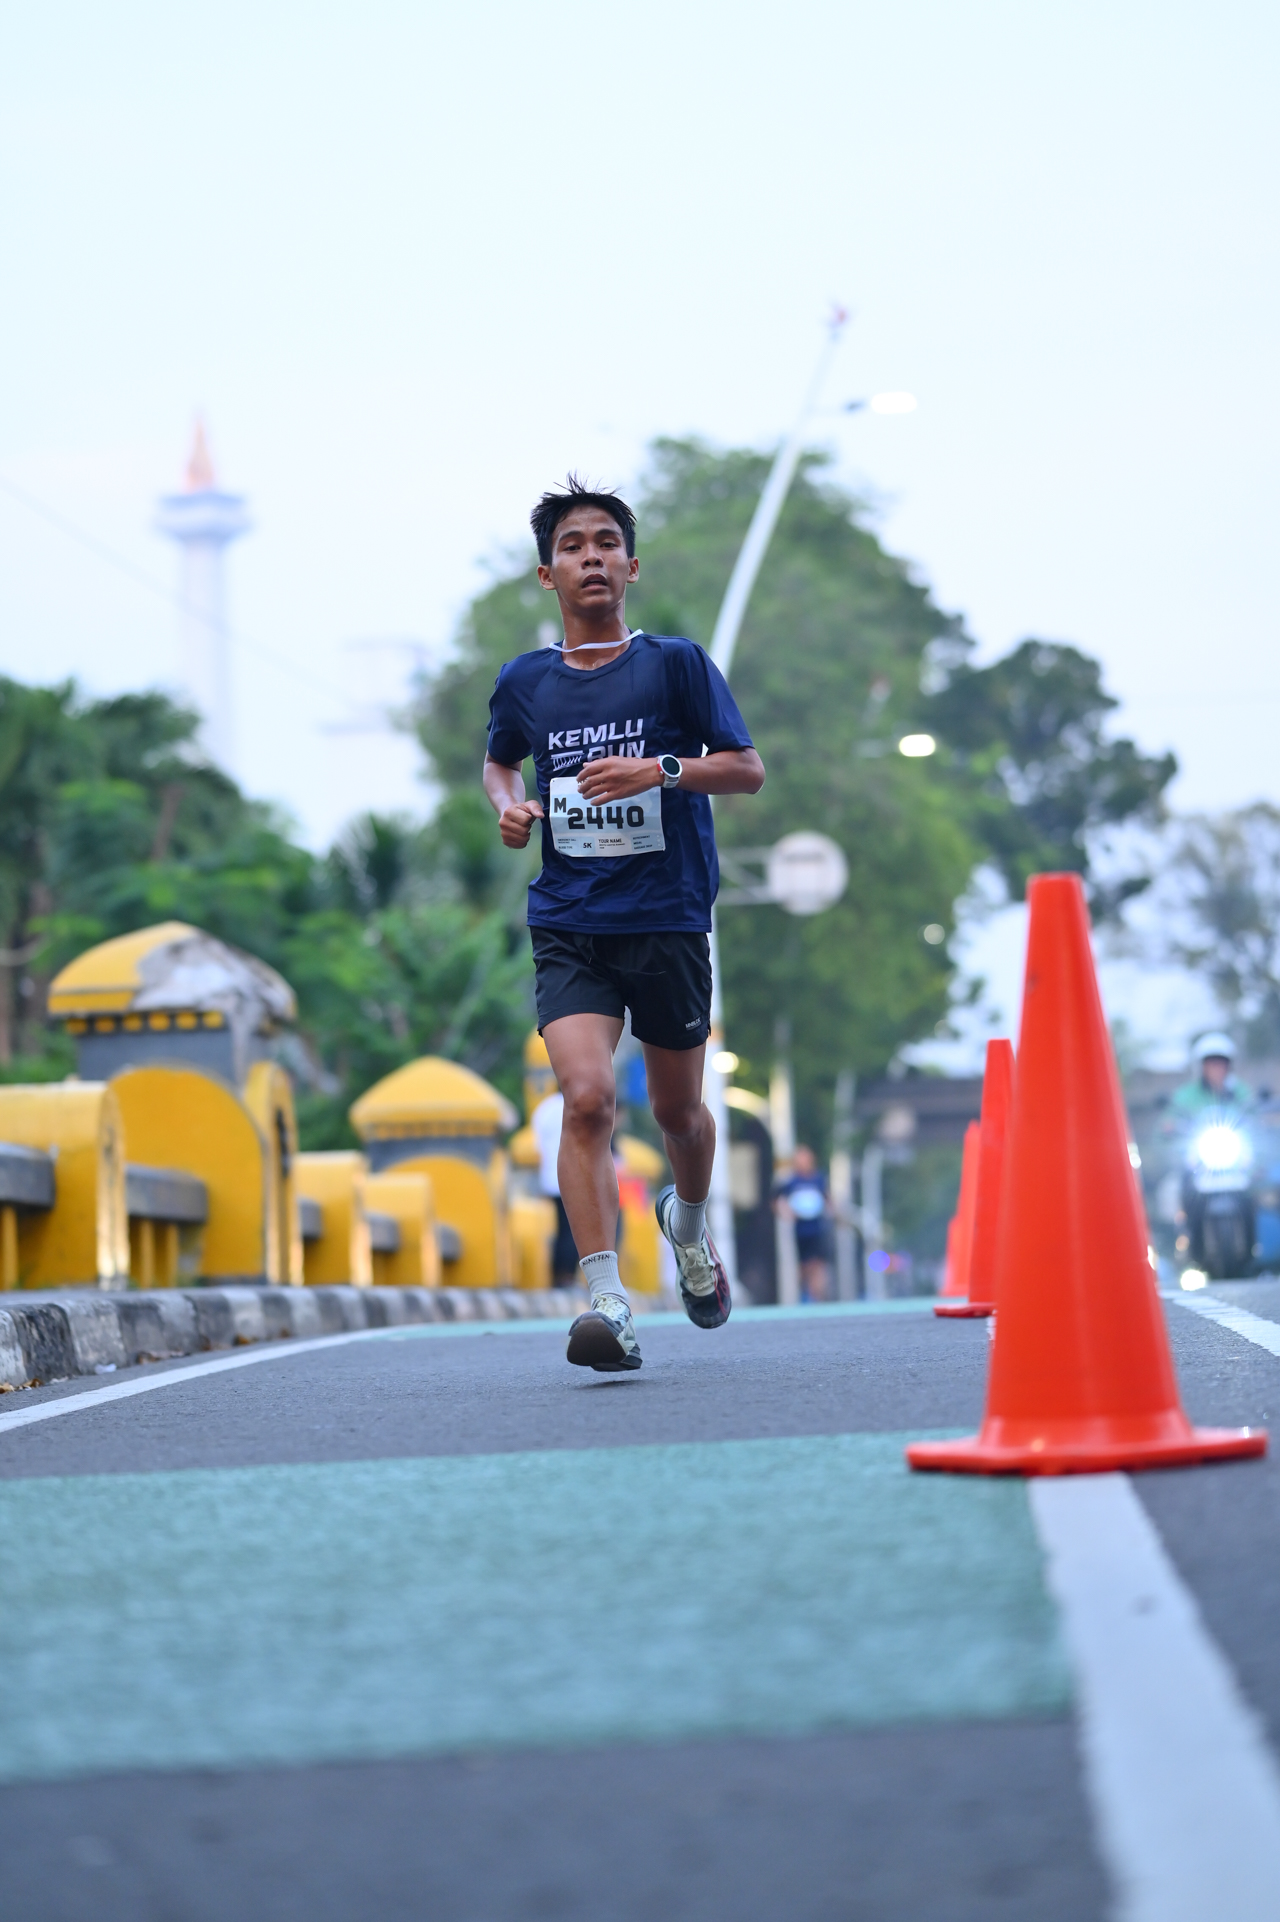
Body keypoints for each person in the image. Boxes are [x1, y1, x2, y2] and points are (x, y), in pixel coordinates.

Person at [483, 478, 765, 1372]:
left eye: (607, 542)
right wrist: (511, 807)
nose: (592, 557)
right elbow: (499, 763)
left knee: (680, 1112)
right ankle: (607, 1301)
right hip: (571, 919)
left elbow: (746, 768)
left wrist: (663, 770)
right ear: (548, 575)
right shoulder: (526, 681)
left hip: (668, 914)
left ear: (632, 566)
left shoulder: (676, 665)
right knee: (587, 1098)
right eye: (573, 546)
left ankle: (688, 1224)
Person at [530, 1090, 582, 1283]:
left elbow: (536, 1143)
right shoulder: (577, 1105)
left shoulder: (544, 1108)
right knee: (572, 1230)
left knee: (557, 1229)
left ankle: (556, 1275)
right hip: (573, 1178)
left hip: (549, 1178)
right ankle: (567, 1275)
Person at [773, 1145, 832, 1303]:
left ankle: (817, 1296)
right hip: (800, 1232)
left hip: (817, 1230)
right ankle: (803, 1296)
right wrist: (786, 1213)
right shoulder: (791, 1181)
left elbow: (828, 1200)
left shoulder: (818, 1179)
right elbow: (775, 1200)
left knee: (817, 1265)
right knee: (803, 1266)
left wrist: (829, 1211)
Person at [1167, 1032, 1253, 1128]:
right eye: (1212, 1064)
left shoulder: (1241, 1092)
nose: (1217, 1068)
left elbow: (1253, 1114)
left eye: (1221, 1063)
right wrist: (1170, 1126)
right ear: (1202, 1067)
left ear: (1229, 1066)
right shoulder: (1185, 1095)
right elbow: (1171, 1119)